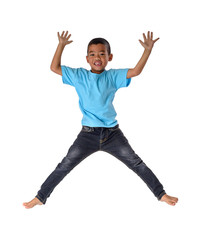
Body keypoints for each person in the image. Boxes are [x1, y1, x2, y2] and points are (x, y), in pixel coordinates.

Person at [23, 31, 178, 209]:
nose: (97, 57)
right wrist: (61, 46)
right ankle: (40, 197)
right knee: (64, 165)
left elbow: (136, 71)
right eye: (93, 54)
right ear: (87, 58)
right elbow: (54, 68)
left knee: (136, 163)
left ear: (109, 57)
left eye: (102, 54)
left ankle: (161, 194)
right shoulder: (79, 76)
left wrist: (147, 50)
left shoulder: (112, 76)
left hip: (112, 134)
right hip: (87, 134)